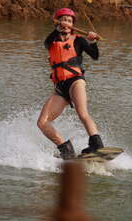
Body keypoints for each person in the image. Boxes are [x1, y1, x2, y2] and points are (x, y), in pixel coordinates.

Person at [37, 8, 104, 160]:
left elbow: (95, 56)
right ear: (57, 23)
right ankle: (66, 150)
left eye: (69, 20)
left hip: (75, 81)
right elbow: (50, 41)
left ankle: (97, 145)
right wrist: (58, 28)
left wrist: (92, 42)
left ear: (73, 24)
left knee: (82, 113)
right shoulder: (51, 41)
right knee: (42, 122)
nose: (66, 23)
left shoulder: (78, 40)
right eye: (63, 20)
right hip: (60, 88)